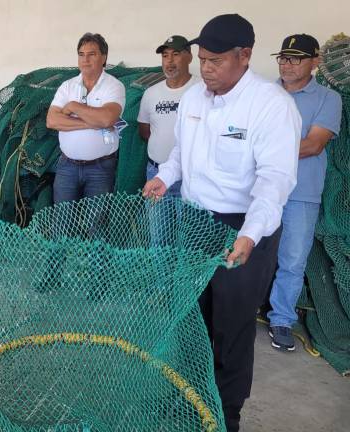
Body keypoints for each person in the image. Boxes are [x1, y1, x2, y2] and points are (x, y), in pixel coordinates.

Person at [142, 14, 301, 432]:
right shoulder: (195, 98)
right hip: (195, 223)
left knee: (231, 325)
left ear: (244, 55)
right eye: (202, 60)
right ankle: (186, 396)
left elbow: (274, 181)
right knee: (191, 317)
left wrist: (250, 234)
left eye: (215, 61)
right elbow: (181, 154)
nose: (206, 69)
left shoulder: (271, 106)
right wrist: (164, 177)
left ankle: (225, 413)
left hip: (244, 228)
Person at [267, 34, 342, 351]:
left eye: (295, 58)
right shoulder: (264, 93)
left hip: (301, 192)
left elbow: (313, 145)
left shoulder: (328, 98)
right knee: (248, 250)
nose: (286, 64)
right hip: (260, 189)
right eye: (283, 58)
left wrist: (262, 152)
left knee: (293, 259)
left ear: (315, 62)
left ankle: (281, 319)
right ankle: (242, 309)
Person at [47, 32, 125, 204]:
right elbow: (52, 121)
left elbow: (107, 119)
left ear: (104, 57)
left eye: (92, 54)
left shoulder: (114, 86)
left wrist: (74, 106)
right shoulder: (67, 86)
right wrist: (92, 123)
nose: (85, 60)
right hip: (67, 166)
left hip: (101, 168)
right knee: (62, 217)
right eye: (81, 54)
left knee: (96, 219)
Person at [137, 35, 197, 197]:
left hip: (191, 175)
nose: (169, 61)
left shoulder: (202, 89)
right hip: (155, 172)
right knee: (156, 215)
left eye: (176, 54)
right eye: (165, 56)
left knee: (190, 215)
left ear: (190, 57)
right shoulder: (151, 93)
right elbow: (144, 131)